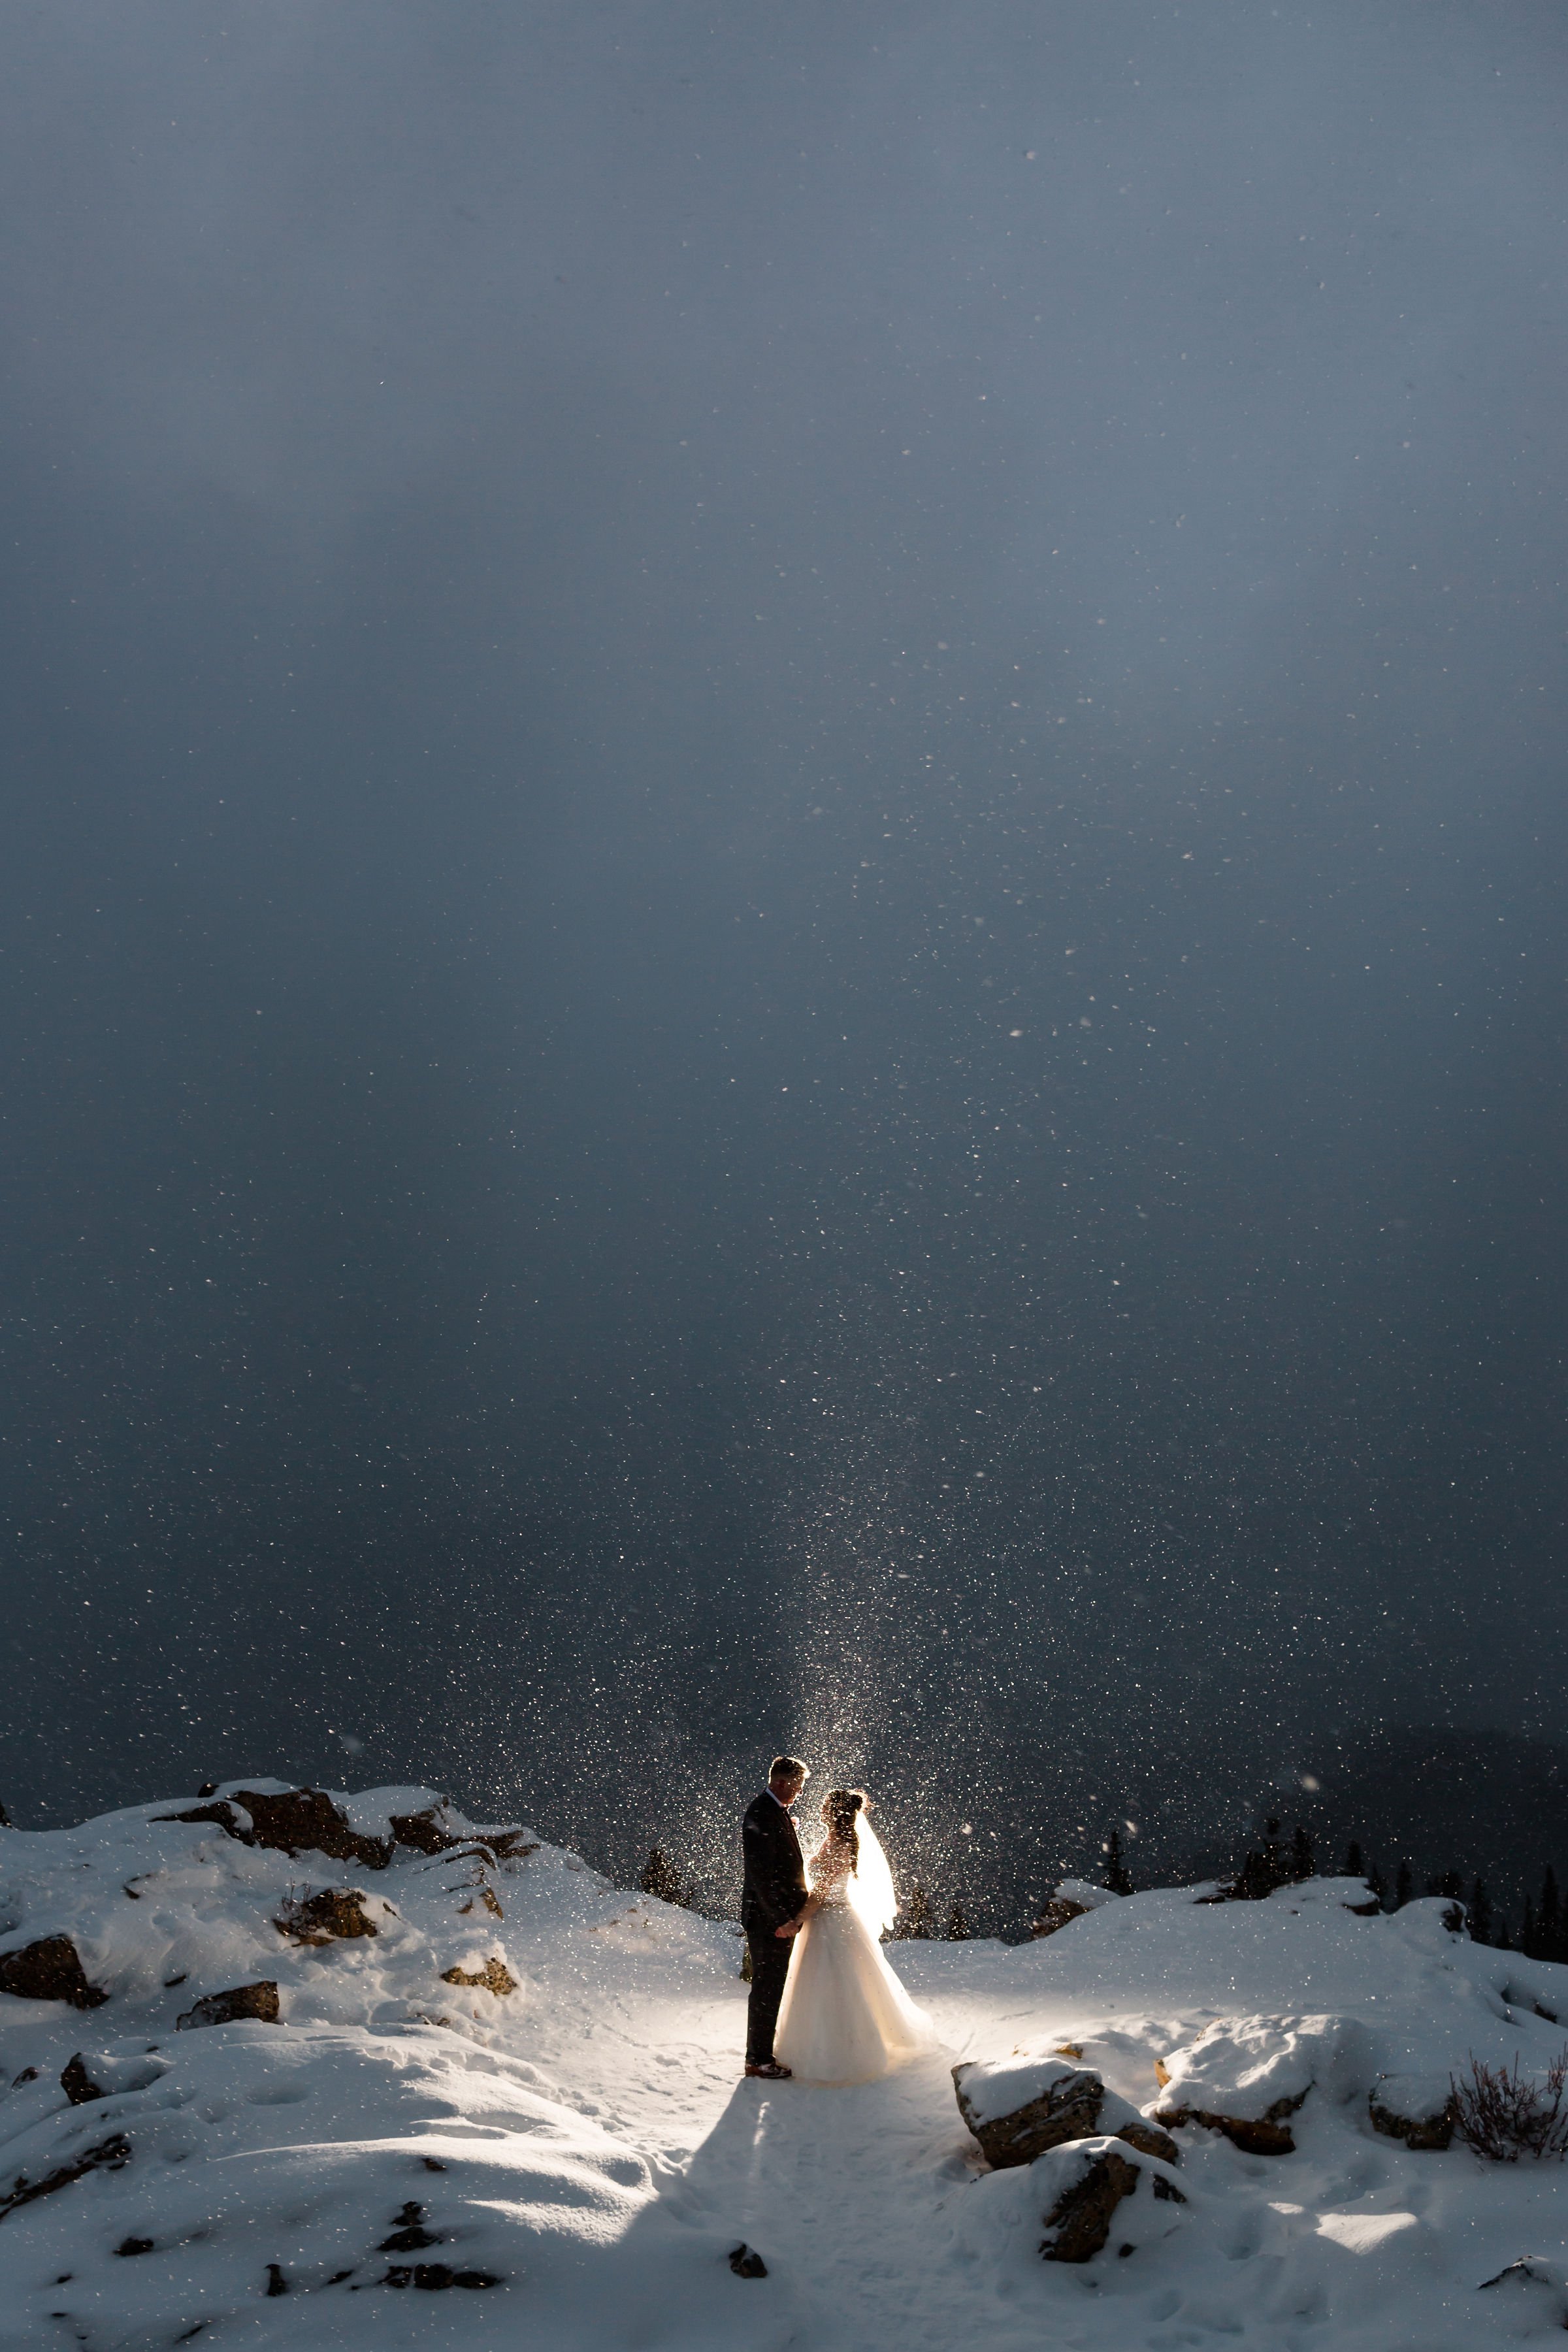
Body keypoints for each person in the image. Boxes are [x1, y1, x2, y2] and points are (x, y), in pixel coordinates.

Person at [773, 1788, 932, 2085]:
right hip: (834, 1918)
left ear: (833, 1812)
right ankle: (842, 2038)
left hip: (831, 1919)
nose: (820, 1809)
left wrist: (796, 1921)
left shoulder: (838, 1844)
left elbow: (821, 1893)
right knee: (843, 1981)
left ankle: (843, 2049)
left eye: (825, 1805)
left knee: (833, 1983)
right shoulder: (836, 1840)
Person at [740, 1754, 812, 2079]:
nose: (798, 1793)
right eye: (796, 1787)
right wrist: (781, 1919)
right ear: (780, 1783)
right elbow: (761, 1875)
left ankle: (762, 2053)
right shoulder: (762, 1813)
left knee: (772, 1986)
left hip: (778, 1917)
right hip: (770, 1920)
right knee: (767, 1988)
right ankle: (758, 2060)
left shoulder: (775, 1812)